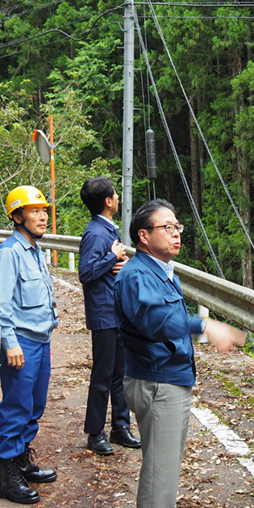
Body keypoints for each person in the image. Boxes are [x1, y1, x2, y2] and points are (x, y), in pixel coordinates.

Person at [114, 199, 245, 508]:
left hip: (168, 376)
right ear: (143, 235)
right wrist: (203, 326)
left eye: (177, 227)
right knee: (160, 468)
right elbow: (153, 320)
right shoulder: (138, 274)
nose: (175, 233)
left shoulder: (162, 270)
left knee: (164, 463)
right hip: (156, 380)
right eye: (166, 227)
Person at [0, 186, 59, 504]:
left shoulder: (34, 251)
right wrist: (10, 343)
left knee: (34, 406)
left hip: (41, 341)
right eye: (34, 211)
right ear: (17, 217)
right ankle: (8, 476)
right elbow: (0, 305)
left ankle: (22, 459)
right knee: (16, 408)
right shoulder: (9, 253)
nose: (42, 216)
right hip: (22, 345)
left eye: (44, 210)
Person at [78, 177, 139, 455]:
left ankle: (120, 426)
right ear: (108, 201)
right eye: (115, 194)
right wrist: (112, 258)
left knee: (120, 373)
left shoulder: (108, 229)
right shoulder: (95, 233)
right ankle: (95, 432)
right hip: (104, 314)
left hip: (117, 312)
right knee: (103, 374)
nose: (118, 197)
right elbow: (86, 273)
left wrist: (120, 263)